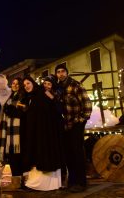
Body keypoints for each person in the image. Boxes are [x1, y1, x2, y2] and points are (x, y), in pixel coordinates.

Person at [55, 64, 92, 193]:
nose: (61, 74)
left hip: (76, 123)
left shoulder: (75, 85)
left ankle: (81, 182)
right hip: (65, 125)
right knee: (68, 154)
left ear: (67, 73)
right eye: (58, 72)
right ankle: (72, 181)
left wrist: (81, 120)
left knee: (77, 152)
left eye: (63, 71)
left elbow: (87, 104)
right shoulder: (58, 88)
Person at [21, 76, 63, 191]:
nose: (27, 86)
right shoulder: (29, 97)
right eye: (24, 85)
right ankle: (34, 183)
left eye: (28, 83)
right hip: (35, 133)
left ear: (33, 83)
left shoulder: (42, 93)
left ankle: (43, 184)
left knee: (44, 155)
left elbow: (54, 106)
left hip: (45, 132)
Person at [0, 77, 24, 191]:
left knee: (17, 157)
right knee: (13, 157)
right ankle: (16, 182)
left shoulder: (22, 96)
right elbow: (8, 110)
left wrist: (12, 108)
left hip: (18, 132)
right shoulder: (11, 96)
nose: (15, 85)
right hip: (10, 131)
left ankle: (17, 182)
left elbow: (21, 110)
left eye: (18, 84)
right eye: (13, 83)